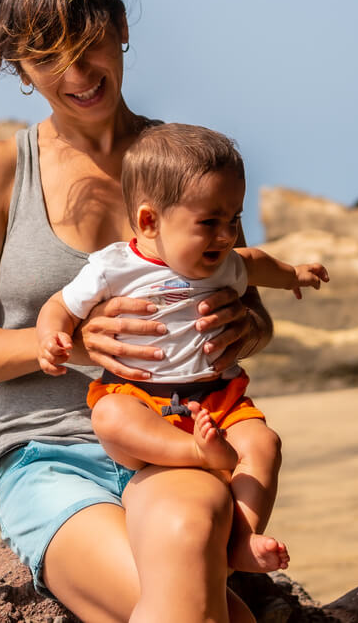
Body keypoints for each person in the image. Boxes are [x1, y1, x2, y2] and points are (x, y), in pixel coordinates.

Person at [0, 0, 277, 623]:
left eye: (85, 44)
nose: (75, 74)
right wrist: (76, 346)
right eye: (44, 58)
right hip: (49, 456)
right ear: (18, 65)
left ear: (119, 27)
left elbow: (245, 303)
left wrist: (250, 326)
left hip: (180, 439)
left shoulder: (183, 161)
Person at [35, 123, 328, 575]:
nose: (226, 235)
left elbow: (258, 264)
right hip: (139, 399)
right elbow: (61, 304)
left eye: (233, 219)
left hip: (215, 397)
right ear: (150, 221)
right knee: (109, 417)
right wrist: (52, 334)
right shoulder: (114, 267)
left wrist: (295, 275)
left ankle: (244, 538)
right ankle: (197, 454)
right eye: (209, 222)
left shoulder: (226, 263)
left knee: (263, 442)